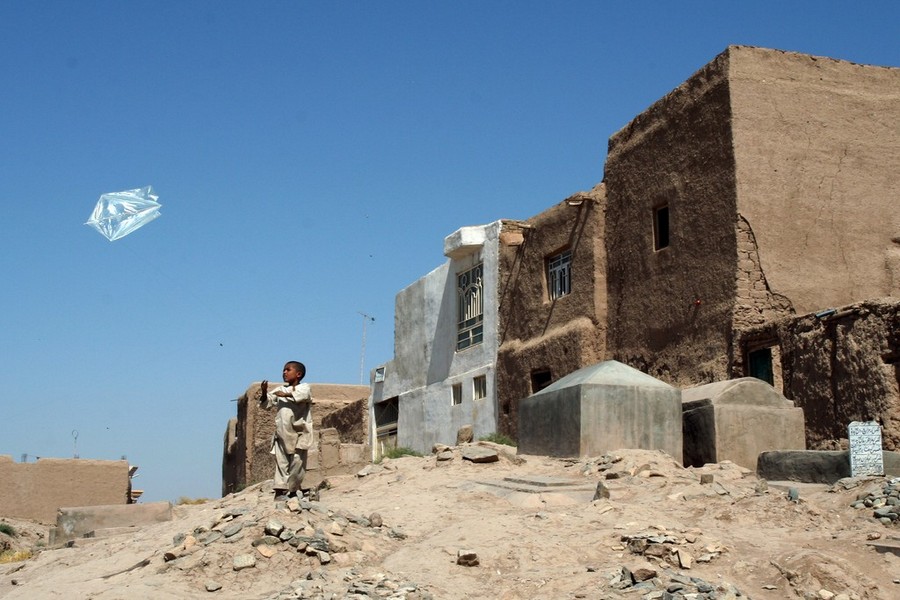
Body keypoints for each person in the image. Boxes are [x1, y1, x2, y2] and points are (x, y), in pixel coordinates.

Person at [260, 361, 314, 500]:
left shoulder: (304, 387)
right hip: (282, 433)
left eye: (288, 370)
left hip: (299, 433)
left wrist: (284, 395)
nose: (284, 372)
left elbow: (302, 395)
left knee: (297, 463)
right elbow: (266, 403)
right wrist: (264, 392)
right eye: (283, 370)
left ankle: (293, 490)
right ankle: (279, 491)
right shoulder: (280, 389)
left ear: (298, 374)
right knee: (281, 462)